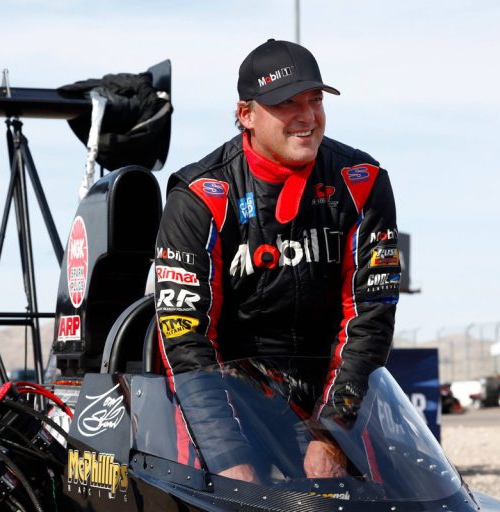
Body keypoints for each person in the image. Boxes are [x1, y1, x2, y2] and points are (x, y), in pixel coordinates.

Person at [154, 39, 400, 482]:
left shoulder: (362, 182)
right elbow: (184, 339)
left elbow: (370, 319)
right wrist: (228, 455)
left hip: (329, 387)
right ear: (246, 114)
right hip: (227, 392)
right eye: (288, 104)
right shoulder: (200, 196)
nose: (308, 117)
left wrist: (331, 434)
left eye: (315, 100)